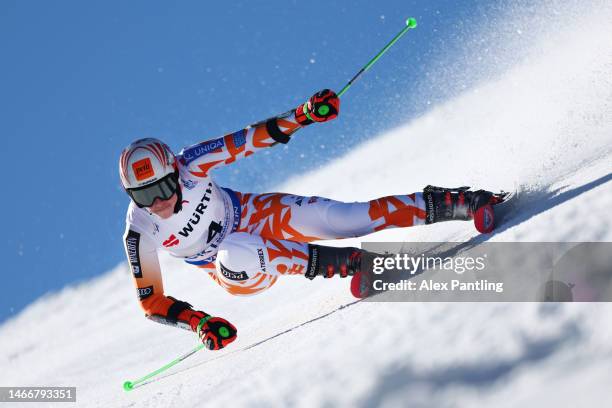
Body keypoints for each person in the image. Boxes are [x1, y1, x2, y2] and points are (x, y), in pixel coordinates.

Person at [119, 89, 505, 351]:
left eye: (163, 187)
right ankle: (350, 264)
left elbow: (248, 140)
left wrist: (302, 116)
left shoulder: (192, 163)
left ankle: (461, 203)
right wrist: (198, 321)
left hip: (255, 213)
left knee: (346, 217)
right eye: (144, 196)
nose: (160, 202)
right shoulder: (140, 230)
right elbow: (151, 302)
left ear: (174, 169)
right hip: (234, 268)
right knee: (236, 253)